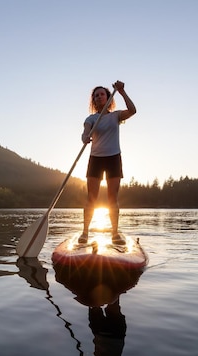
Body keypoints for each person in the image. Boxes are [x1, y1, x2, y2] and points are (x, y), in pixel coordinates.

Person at [80, 80, 136, 245]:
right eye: (96, 95)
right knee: (92, 198)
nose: (99, 97)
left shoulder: (115, 116)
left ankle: (115, 234)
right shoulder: (91, 118)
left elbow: (133, 110)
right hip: (96, 159)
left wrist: (122, 91)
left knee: (113, 198)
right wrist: (85, 137)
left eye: (102, 94)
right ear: (94, 100)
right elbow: (85, 131)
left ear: (108, 98)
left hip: (113, 158)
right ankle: (84, 233)